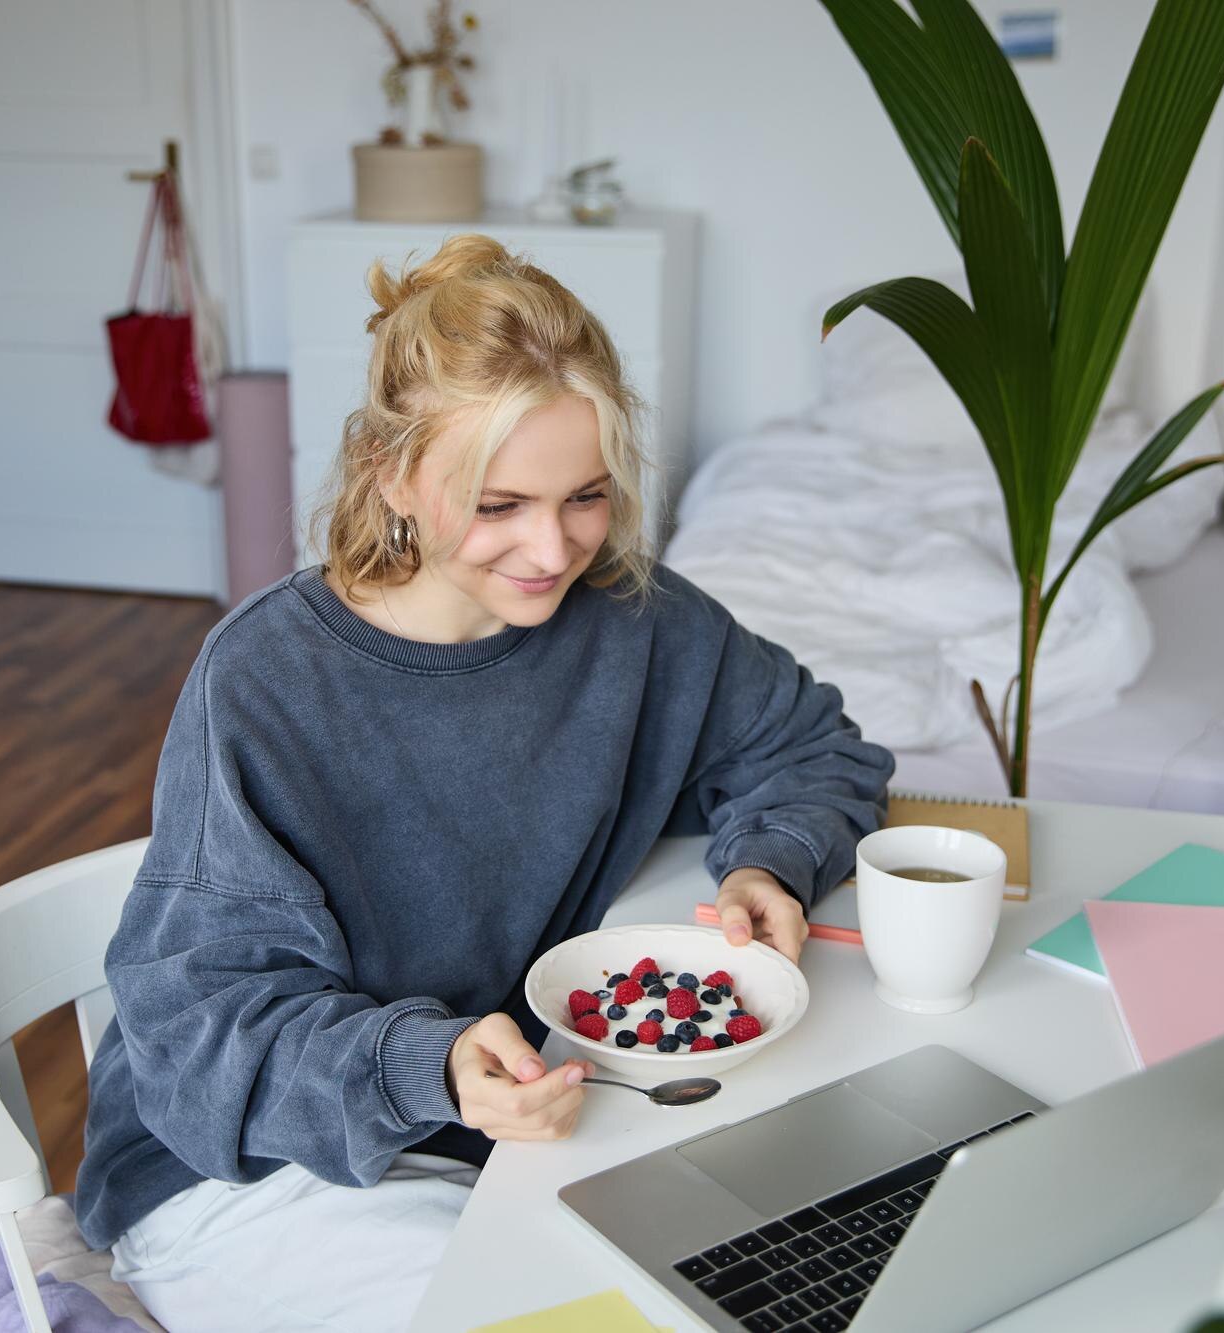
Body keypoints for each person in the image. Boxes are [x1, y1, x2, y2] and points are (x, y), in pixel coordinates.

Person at [73, 233, 895, 1331]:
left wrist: (767, 859)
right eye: (498, 503)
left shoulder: (634, 620)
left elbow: (812, 748)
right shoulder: (266, 678)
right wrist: (431, 1062)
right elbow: (202, 1032)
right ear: (392, 475)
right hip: (252, 1172)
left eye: (585, 496)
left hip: (497, 1130)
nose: (552, 549)